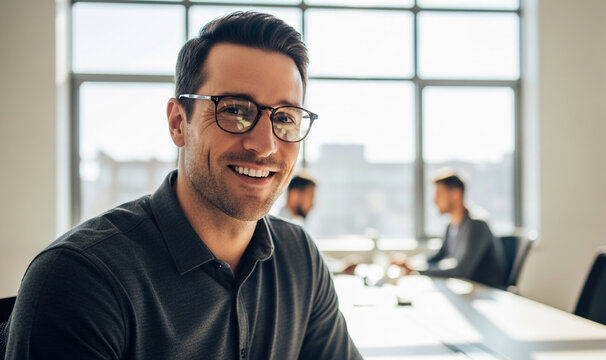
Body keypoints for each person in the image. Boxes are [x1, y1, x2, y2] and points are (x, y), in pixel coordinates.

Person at [5, 12, 361, 359]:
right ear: (178, 123)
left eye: (284, 117)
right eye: (235, 110)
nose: (265, 145)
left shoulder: (298, 257)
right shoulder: (82, 278)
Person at [421, 169, 506, 287]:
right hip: (465, 290)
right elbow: (438, 257)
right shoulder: (451, 225)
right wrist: (412, 264)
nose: (434, 200)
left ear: (456, 194)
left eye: (439, 194)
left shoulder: (476, 224)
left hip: (483, 292)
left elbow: (461, 271)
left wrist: (419, 271)